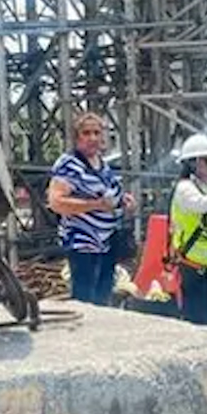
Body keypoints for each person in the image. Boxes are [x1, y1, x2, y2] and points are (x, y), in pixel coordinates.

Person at [47, 111, 133, 306]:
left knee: (104, 296)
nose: (92, 138)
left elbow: (108, 195)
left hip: (107, 242)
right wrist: (95, 205)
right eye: (86, 133)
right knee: (85, 298)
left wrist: (123, 202)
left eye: (96, 132)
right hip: (83, 243)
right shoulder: (69, 164)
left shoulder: (103, 164)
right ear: (78, 137)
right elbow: (56, 202)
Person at [170, 133, 207, 328]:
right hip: (192, 264)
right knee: (197, 318)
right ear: (194, 163)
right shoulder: (184, 188)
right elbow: (199, 205)